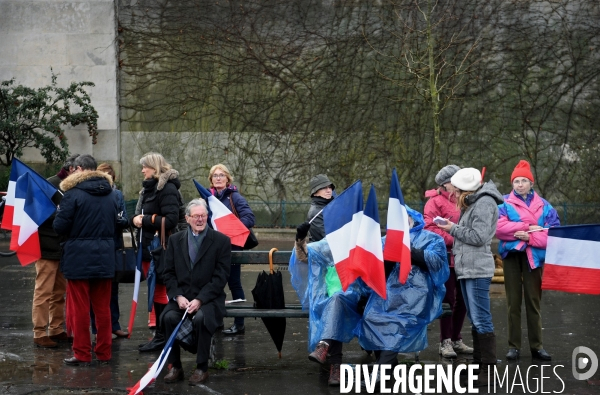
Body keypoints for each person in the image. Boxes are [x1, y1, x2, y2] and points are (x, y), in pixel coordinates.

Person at [357, 206, 449, 375]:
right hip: (388, 294)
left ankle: (380, 372)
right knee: (372, 317)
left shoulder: (431, 239)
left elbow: (437, 264)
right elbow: (375, 271)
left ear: (412, 218)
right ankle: (387, 363)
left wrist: (409, 251)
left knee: (400, 323)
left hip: (417, 295)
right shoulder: (385, 240)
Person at [436, 167, 503, 386]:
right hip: (468, 268)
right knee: (476, 319)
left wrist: (452, 228)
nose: (453, 194)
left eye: (455, 190)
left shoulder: (484, 203)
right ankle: (479, 363)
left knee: (481, 318)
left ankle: (489, 368)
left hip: (476, 269)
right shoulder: (475, 201)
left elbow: (478, 236)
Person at [53, 154, 119, 365]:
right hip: (105, 256)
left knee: (80, 308)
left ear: (80, 169)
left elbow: (59, 227)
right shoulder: (112, 194)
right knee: (103, 308)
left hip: (78, 257)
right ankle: (104, 352)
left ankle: (82, 353)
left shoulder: (72, 195)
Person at [161, 199, 231, 385]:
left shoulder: (221, 241)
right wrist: (178, 296)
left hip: (209, 298)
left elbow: (220, 277)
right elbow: (168, 273)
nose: (200, 219)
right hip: (182, 296)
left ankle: (202, 368)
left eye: (203, 216)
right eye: (196, 216)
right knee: (168, 318)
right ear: (187, 218)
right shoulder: (175, 240)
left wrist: (200, 299)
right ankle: (175, 366)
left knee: (201, 319)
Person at [496, 160, 559, 361]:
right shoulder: (503, 203)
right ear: (512, 184)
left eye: (524, 180)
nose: (520, 184)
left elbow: (553, 233)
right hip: (512, 256)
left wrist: (530, 237)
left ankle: (537, 346)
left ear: (531, 183)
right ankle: (513, 346)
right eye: (516, 181)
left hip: (534, 258)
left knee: (533, 302)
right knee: (513, 303)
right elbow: (498, 228)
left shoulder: (545, 206)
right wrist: (525, 227)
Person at [131, 152, 184, 352]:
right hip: (151, 246)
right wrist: (135, 220)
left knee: (162, 289)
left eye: (145, 167)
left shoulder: (167, 188)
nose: (142, 170)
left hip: (163, 247)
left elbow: (170, 220)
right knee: (156, 288)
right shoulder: (148, 189)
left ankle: (164, 336)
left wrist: (143, 220)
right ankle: (161, 335)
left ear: (153, 168)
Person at [424, 165, 472, 358]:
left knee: (464, 300)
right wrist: (457, 237)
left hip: (466, 257)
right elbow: (430, 228)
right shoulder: (434, 202)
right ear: (445, 184)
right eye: (455, 180)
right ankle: (445, 342)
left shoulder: (467, 200)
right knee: (448, 300)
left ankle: (456, 338)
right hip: (447, 258)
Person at [32, 154, 79, 348]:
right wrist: (64, 216)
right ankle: (39, 332)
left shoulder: (71, 186)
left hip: (62, 247)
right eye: (79, 170)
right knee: (43, 291)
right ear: (71, 169)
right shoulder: (49, 185)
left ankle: (56, 328)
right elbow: (38, 214)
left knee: (59, 291)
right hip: (46, 246)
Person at [207, 164, 255, 335]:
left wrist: (231, 228)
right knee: (215, 284)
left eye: (221, 175)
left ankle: (239, 323)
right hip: (212, 248)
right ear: (211, 180)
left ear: (227, 179)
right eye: (215, 175)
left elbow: (249, 218)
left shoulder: (235, 197)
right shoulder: (208, 199)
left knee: (234, 283)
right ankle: (216, 321)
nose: (218, 178)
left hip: (232, 247)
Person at [90, 163, 129, 339]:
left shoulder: (117, 194)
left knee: (112, 287)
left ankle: (114, 324)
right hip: (94, 245)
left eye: (109, 176)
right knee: (94, 288)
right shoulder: (89, 194)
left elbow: (125, 219)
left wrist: (116, 219)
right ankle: (96, 327)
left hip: (113, 244)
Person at [306, 174, 335, 242]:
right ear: (315, 192)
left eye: (330, 187)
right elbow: (328, 239)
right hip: (322, 251)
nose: (328, 190)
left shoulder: (331, 207)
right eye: (324, 188)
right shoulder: (315, 212)